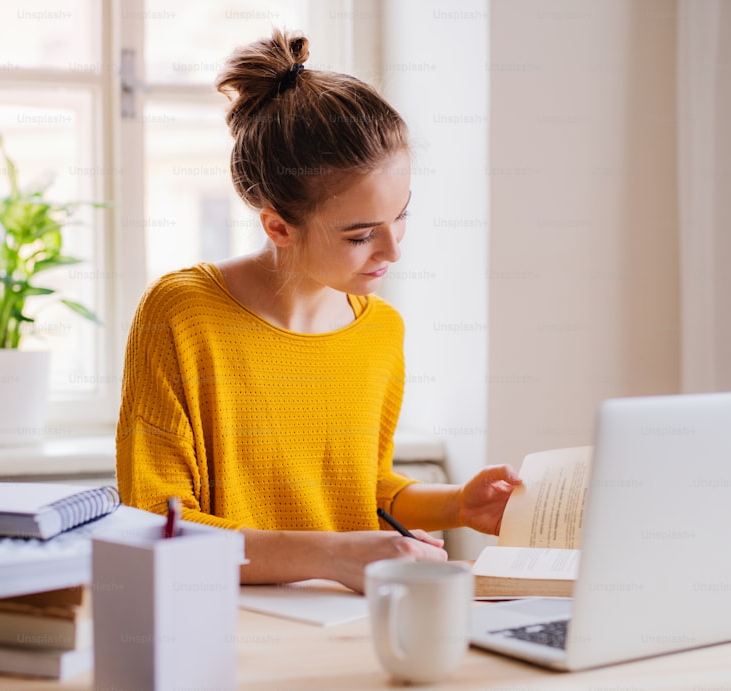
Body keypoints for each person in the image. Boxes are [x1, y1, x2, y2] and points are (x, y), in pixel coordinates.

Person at [115, 29, 521, 593]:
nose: (394, 250)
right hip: (222, 625)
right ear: (278, 226)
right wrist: (332, 557)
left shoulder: (381, 331)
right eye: (360, 236)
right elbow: (157, 526)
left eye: (402, 215)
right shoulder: (182, 315)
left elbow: (362, 488)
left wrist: (458, 504)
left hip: (349, 622)